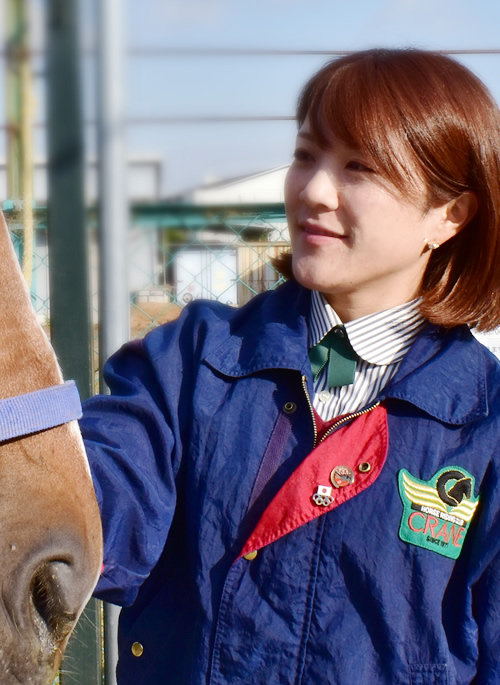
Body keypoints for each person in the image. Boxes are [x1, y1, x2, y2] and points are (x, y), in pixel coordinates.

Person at [80, 48, 500, 684]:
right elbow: (98, 502)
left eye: (359, 167)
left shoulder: (484, 425)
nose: (314, 190)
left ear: (450, 214)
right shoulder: (196, 360)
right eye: (306, 155)